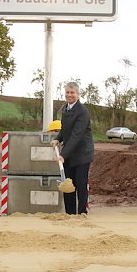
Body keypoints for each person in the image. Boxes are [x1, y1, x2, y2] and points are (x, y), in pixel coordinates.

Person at [52, 82, 94, 215]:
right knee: (68, 184)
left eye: (72, 93)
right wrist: (58, 139)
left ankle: (82, 213)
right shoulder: (65, 109)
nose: (69, 95)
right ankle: (70, 213)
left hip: (82, 154)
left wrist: (63, 155)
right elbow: (65, 130)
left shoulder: (82, 112)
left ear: (78, 94)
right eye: (68, 92)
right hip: (69, 154)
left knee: (81, 185)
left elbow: (77, 135)